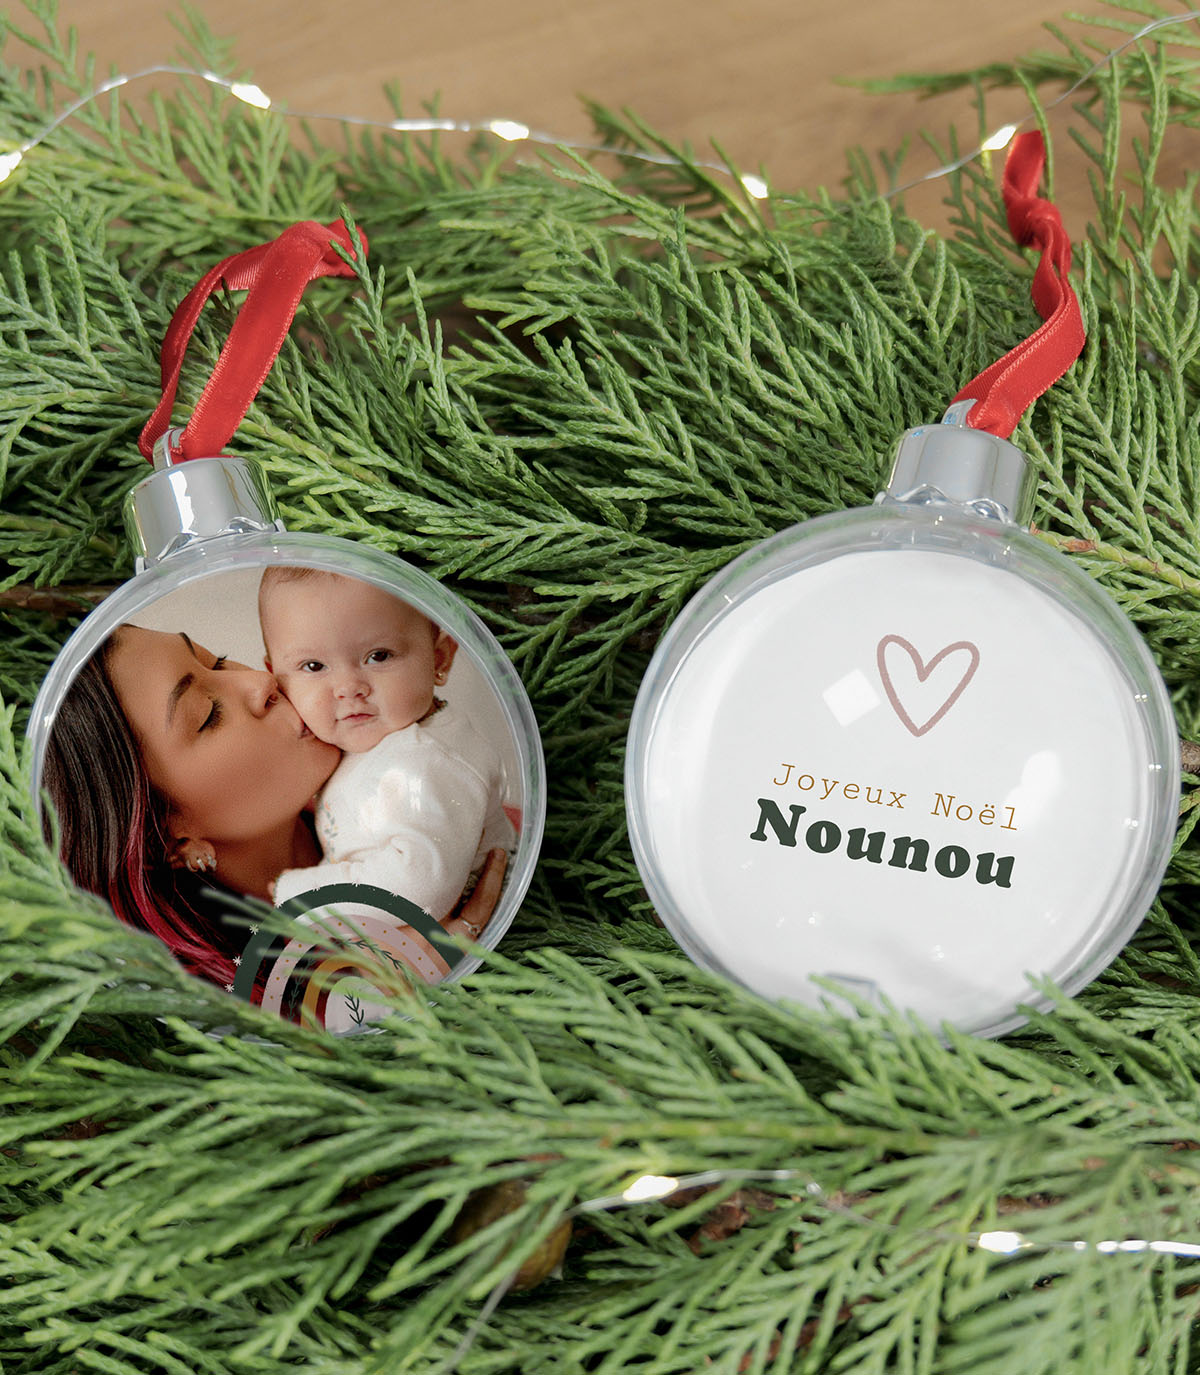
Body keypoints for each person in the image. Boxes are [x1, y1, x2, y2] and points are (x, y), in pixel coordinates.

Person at [41, 624, 506, 1006]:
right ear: (172, 839)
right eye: (206, 714)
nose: (259, 682)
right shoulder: (250, 1012)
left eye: (217, 660)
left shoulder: (408, 793)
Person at [257, 568, 516, 924]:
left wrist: (300, 893)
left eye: (378, 656)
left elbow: (418, 889)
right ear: (278, 678)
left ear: (439, 659)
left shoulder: (424, 762)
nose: (348, 687)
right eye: (314, 666)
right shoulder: (373, 744)